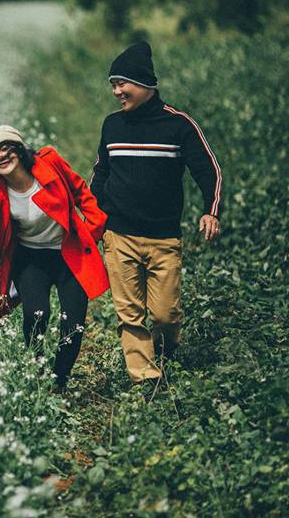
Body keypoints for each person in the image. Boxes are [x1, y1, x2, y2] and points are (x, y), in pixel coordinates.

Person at [0, 126, 109, 393]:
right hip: (30, 259)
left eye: (5, 147)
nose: (0, 155)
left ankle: (58, 382)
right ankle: (36, 371)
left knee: (74, 323)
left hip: (68, 255)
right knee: (36, 316)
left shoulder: (50, 163)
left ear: (19, 149)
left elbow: (81, 192)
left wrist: (93, 229)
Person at [90, 41, 222, 389]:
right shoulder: (112, 126)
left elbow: (208, 170)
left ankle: (165, 351)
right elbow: (101, 173)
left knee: (165, 313)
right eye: (112, 85)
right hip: (119, 235)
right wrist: (94, 217)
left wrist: (211, 211)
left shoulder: (179, 125)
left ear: (146, 83)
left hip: (164, 237)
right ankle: (146, 380)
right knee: (129, 314)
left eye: (122, 83)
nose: (117, 91)